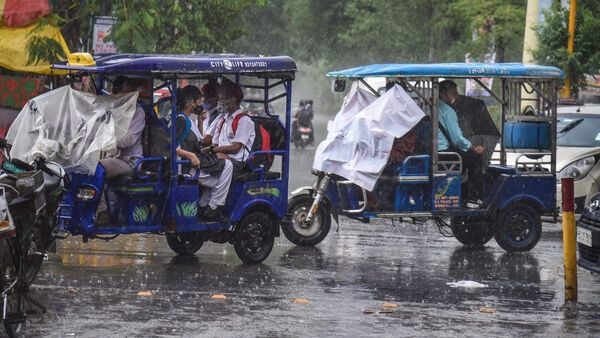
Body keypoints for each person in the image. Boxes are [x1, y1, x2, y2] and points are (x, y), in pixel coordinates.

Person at [175, 85, 234, 222]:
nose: (201, 105)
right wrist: (192, 156)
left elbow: (199, 141)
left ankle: (202, 206)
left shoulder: (187, 119)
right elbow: (172, 145)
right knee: (228, 166)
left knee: (217, 177)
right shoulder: (181, 120)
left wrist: (201, 122)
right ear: (191, 102)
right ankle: (213, 208)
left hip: (191, 163)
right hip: (186, 166)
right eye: (200, 102)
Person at [96, 77, 146, 224]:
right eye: (122, 93)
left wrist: (107, 139)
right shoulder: (114, 111)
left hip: (131, 161)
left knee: (97, 167)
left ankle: (103, 211)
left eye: (128, 93)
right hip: (116, 157)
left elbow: (129, 139)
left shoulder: (138, 112)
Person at [438, 80, 486, 208]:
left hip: (433, 153)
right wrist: (474, 148)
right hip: (443, 155)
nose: (457, 96)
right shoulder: (447, 111)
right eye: (453, 93)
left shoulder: (429, 107)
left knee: (466, 158)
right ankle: (473, 198)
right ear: (443, 94)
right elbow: (457, 139)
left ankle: (462, 191)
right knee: (475, 158)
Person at [205, 77, 255, 174]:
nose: (222, 102)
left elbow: (235, 148)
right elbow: (215, 144)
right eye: (221, 99)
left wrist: (212, 150)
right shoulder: (223, 120)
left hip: (238, 164)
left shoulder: (244, 121)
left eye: (225, 99)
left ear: (234, 99)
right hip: (222, 158)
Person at [200, 79, 223, 146]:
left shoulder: (219, 117)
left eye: (204, 96)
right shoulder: (205, 114)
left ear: (215, 99)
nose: (202, 100)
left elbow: (206, 139)